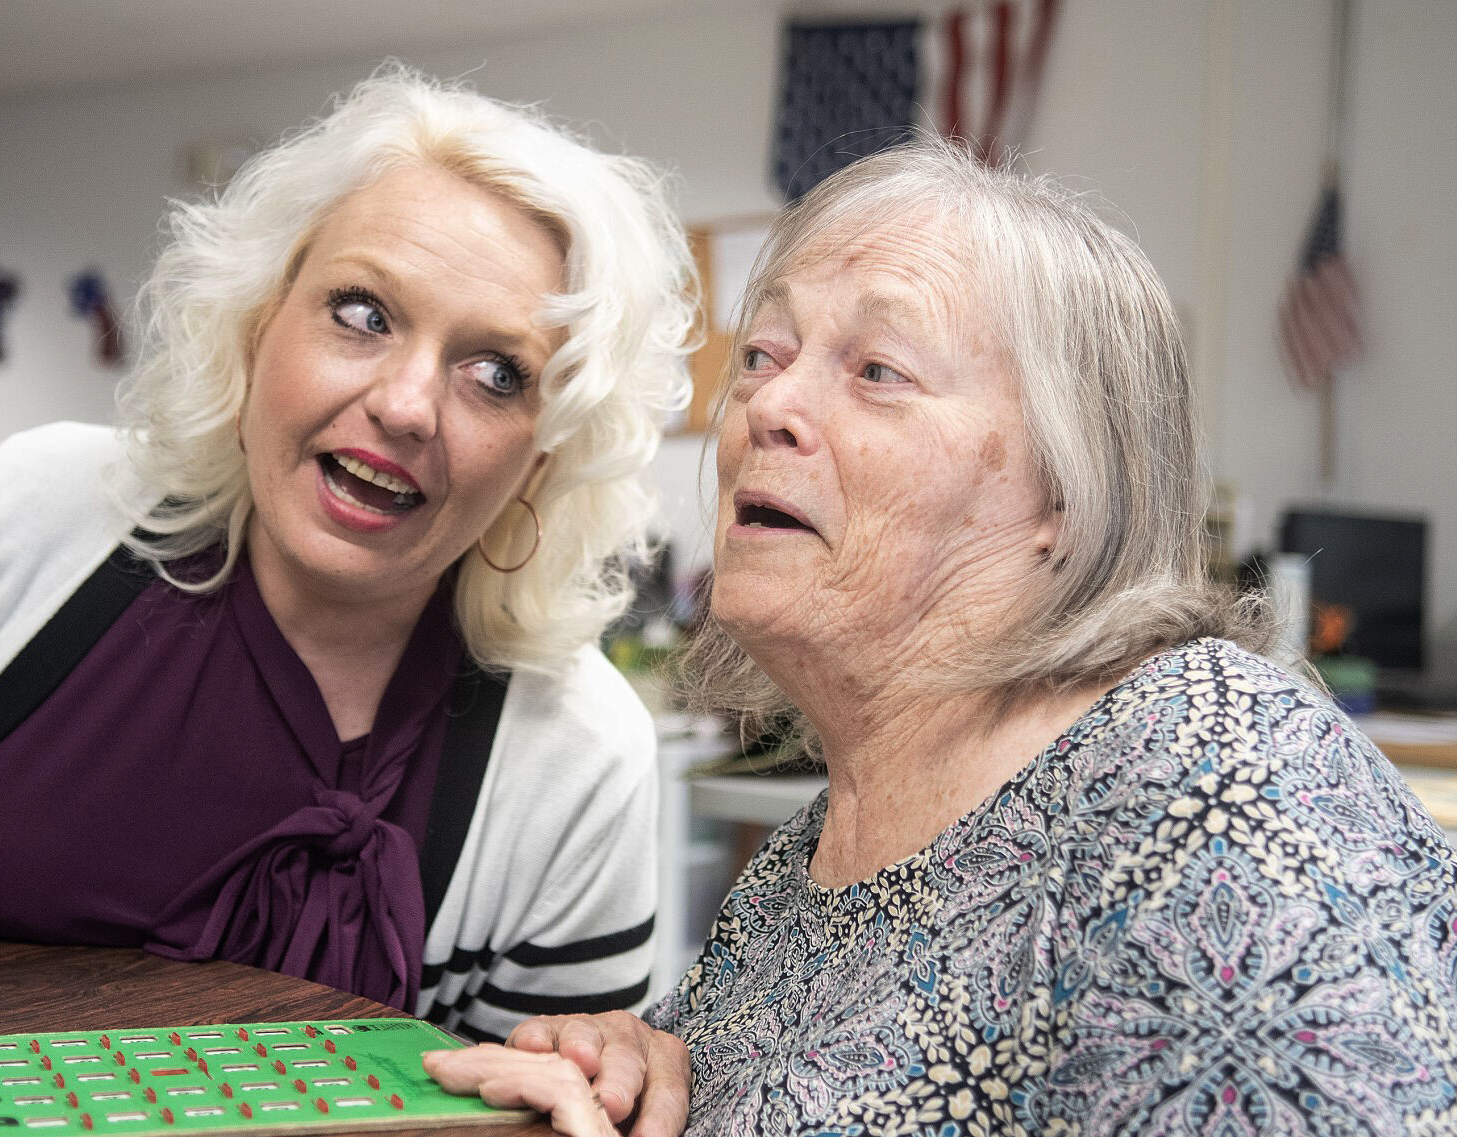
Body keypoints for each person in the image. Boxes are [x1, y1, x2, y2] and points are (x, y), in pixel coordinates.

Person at [423, 135, 1457, 1132]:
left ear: (1066, 485)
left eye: (876, 369)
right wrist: (647, 1069)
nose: (767, 404)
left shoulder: (1212, 776)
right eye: (761, 353)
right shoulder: (803, 865)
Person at [0, 68, 697, 1043]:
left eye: (496, 374)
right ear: (259, 320)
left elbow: (538, 1109)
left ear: (542, 457)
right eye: (364, 313)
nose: (407, 403)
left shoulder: (577, 758)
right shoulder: (24, 512)